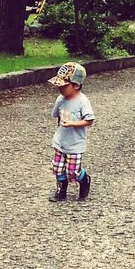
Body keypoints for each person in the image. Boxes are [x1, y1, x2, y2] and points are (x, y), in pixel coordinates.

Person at [49, 61, 95, 202]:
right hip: (61, 141)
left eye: (64, 85)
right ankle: (61, 190)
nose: (60, 88)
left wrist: (73, 124)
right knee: (57, 168)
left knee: (72, 171)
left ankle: (84, 179)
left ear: (76, 85)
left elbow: (90, 120)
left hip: (75, 143)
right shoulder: (60, 99)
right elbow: (57, 116)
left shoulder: (82, 101)